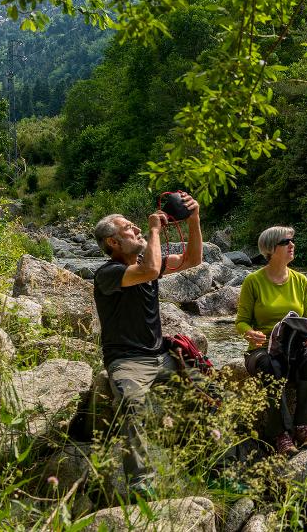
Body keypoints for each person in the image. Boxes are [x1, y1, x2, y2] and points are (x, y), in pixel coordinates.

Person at [92, 192, 202, 496]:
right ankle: (141, 485)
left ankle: (217, 470)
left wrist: (194, 219)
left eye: (137, 226)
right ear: (113, 242)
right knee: (131, 403)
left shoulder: (145, 261)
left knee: (207, 394)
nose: (137, 228)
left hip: (160, 355)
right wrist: (154, 229)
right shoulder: (109, 273)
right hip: (127, 360)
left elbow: (193, 260)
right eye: (129, 227)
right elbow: (150, 271)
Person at [235, 226, 307, 456]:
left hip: (296, 345)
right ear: (271, 249)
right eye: (287, 242)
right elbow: (241, 321)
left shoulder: (301, 281)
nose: (292, 245)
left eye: (292, 241)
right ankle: (281, 434)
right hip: (262, 349)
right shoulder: (253, 282)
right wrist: (249, 333)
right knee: (269, 367)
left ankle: (306, 428)